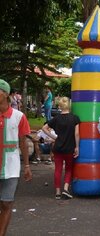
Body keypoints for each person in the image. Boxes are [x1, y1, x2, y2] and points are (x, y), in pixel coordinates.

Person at [0, 79, 32, 236]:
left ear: (5, 94)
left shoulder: (19, 116)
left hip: (11, 167)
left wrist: (27, 166)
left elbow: (23, 142)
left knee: (6, 203)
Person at [42, 97, 80, 200]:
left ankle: (57, 192)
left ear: (60, 106)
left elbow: (44, 128)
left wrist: (54, 137)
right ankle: (65, 189)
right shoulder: (75, 118)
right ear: (69, 105)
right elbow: (76, 134)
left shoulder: (56, 118)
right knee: (68, 169)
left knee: (58, 169)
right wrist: (77, 146)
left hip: (58, 147)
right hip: (69, 148)